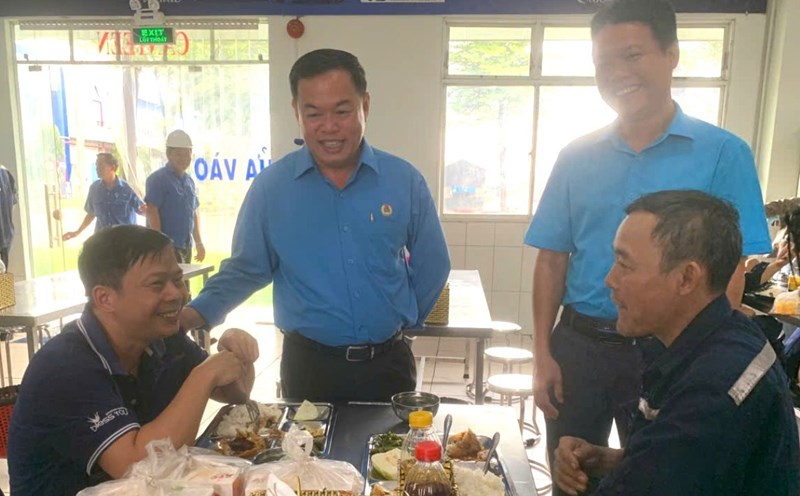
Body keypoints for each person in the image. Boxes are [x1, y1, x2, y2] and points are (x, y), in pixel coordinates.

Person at [523, 0, 772, 479]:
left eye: (632, 55)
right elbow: (551, 259)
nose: (617, 73)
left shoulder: (723, 153)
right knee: (571, 470)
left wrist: (700, 360)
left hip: (668, 349)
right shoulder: (576, 156)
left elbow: (729, 272)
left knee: (666, 474)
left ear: (672, 54)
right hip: (582, 345)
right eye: (603, 62)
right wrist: (543, 356)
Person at [179, 48, 450, 402]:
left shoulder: (404, 181)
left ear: (364, 106)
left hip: (388, 365)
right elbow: (246, 269)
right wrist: (190, 315)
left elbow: (433, 263)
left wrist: (406, 323)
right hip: (309, 367)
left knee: (389, 457)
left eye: (342, 111)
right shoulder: (271, 189)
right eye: (314, 113)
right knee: (307, 457)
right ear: (296, 112)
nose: (329, 127)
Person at [554, 190, 800, 495]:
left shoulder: (714, 391)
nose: (610, 279)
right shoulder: (711, 337)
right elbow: (686, 466)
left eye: (625, 265)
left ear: (686, 278)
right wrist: (609, 459)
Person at [7, 225, 258, 496]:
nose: (177, 294)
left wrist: (237, 352)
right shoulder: (65, 366)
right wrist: (204, 375)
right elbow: (140, 467)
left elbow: (235, 392)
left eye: (177, 280)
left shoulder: (161, 336)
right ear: (105, 298)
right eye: (157, 284)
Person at [145, 130, 205, 263]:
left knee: (184, 282)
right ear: (168, 155)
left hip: (185, 245)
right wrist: (160, 245)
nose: (183, 158)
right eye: (178, 154)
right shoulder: (157, 179)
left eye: (187, 154)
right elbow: (152, 211)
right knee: (167, 282)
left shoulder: (189, 181)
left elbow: (194, 212)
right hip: (166, 247)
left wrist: (199, 243)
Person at [62, 153, 145, 241]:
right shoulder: (94, 189)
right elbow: (91, 213)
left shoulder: (128, 188)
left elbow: (142, 210)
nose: (97, 168)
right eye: (96, 165)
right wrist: (77, 232)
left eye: (101, 165)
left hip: (124, 240)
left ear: (113, 167)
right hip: (102, 241)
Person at [0, 165, 17, 268]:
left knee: (3, 272)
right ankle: (5, 284)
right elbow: (13, 204)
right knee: (4, 272)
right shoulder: (6, 172)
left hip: (5, 235)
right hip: (6, 235)